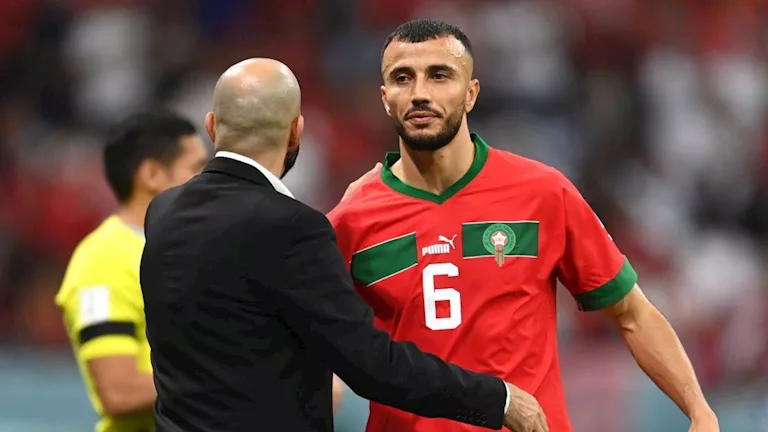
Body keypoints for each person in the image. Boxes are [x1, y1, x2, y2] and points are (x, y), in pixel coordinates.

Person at [327, 19, 720, 432]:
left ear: (471, 94)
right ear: (385, 98)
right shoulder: (352, 220)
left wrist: (699, 411)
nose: (420, 93)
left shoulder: (542, 193)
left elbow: (631, 313)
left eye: (439, 75)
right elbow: (310, 334)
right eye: (402, 78)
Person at [139, 58, 549, 432]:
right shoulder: (291, 227)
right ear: (296, 131)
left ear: (212, 126)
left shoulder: (163, 211)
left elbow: (244, 307)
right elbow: (371, 364)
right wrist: (497, 399)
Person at [55, 110, 209, 432]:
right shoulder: (103, 260)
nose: (210, 181)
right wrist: (227, 378)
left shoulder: (202, 249)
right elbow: (118, 390)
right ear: (151, 174)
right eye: (197, 168)